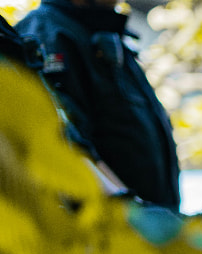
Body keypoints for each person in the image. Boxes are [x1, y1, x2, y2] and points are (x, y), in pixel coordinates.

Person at [16, 0, 181, 211]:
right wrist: (135, 214)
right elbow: (67, 149)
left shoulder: (103, 32)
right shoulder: (47, 34)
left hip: (158, 227)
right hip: (114, 232)